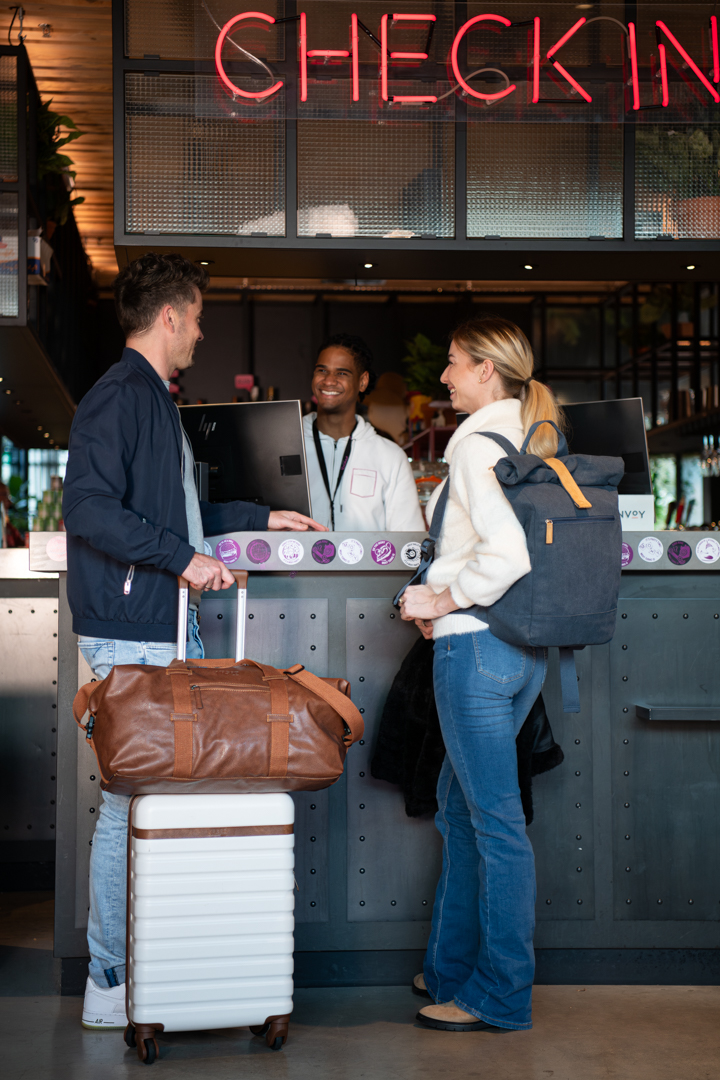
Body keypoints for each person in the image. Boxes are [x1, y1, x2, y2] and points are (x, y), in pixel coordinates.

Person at [62, 253, 324, 1031]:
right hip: (132, 631)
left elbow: (171, 508)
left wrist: (256, 516)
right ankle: (110, 980)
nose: (202, 334)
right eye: (199, 318)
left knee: (145, 803)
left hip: (153, 626)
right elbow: (90, 508)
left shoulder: (149, 398)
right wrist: (182, 559)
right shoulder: (121, 394)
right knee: (127, 805)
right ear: (170, 316)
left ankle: (146, 973)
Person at [399, 316, 565, 1033]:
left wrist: (441, 599)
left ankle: (499, 993)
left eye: (453, 363)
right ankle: (450, 969)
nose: (444, 376)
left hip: (474, 651)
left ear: (486, 370)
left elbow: (506, 555)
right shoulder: (532, 436)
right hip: (522, 652)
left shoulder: (473, 446)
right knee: (461, 812)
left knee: (494, 825)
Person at [304, 333, 424, 531]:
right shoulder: (287, 444)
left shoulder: (390, 456)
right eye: (322, 370)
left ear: (363, 381)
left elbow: (408, 539)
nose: (329, 381)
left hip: (368, 554)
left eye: (342, 373)